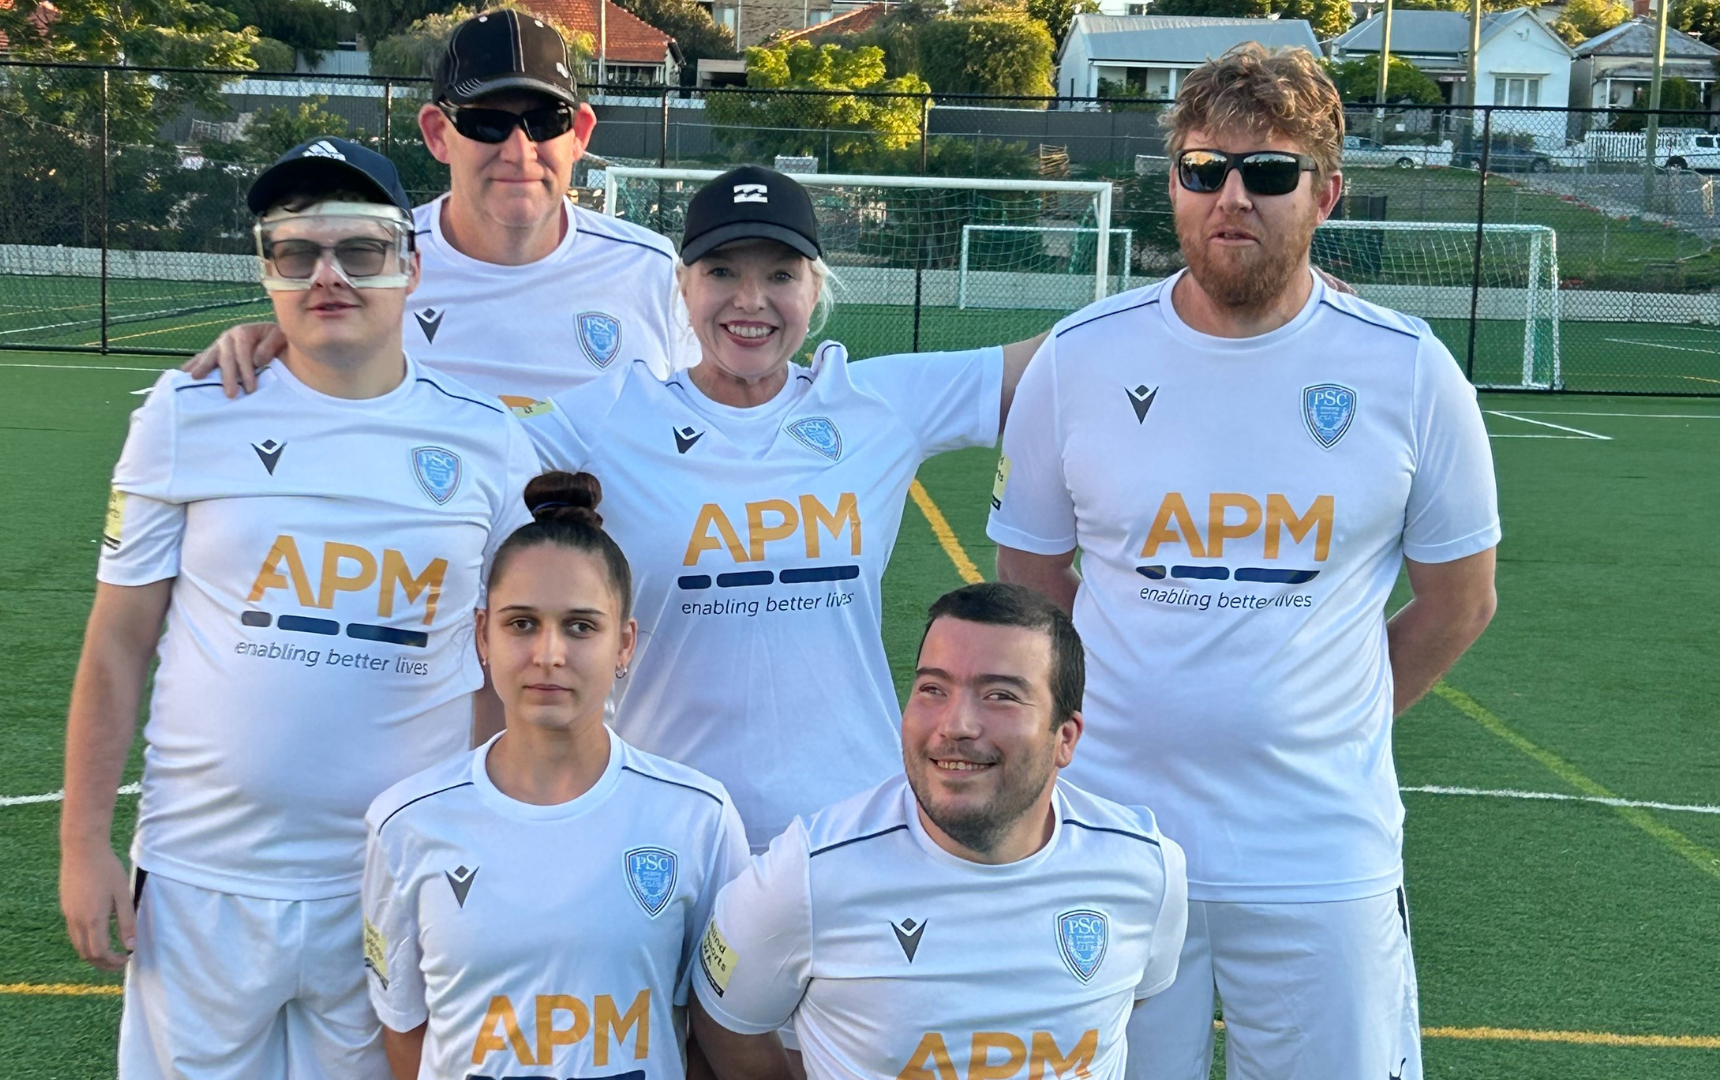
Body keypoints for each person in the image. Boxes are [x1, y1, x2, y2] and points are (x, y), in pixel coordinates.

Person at [987, 45, 1499, 1080]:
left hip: (1319, 851)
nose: (1232, 195)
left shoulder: (1406, 370)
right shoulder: (1078, 359)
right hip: (1116, 842)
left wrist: (1321, 723)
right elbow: (1030, 591)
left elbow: (1458, 600)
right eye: (1202, 168)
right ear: (1170, 182)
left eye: (1267, 172)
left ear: (1326, 194)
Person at [60, 138, 539, 1078]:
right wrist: (83, 844)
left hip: (395, 879)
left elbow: (501, 672)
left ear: (409, 263)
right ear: (266, 269)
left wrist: (495, 833)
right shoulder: (185, 412)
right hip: (203, 880)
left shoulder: (486, 440)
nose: (328, 276)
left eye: (359, 251)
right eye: (296, 251)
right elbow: (117, 646)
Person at [521, 165, 1044, 852]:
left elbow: (1060, 366)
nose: (750, 301)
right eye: (722, 273)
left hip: (854, 827)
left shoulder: (877, 401)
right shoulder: (610, 416)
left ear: (815, 287)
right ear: (683, 285)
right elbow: (467, 459)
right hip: (666, 828)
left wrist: (1208, 283)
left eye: (780, 275)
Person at [689, 582, 1188, 1080]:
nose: (957, 724)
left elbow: (1130, 999)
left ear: (1065, 738)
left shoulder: (1147, 869)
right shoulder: (807, 872)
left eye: (1000, 696)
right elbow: (727, 1024)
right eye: (933, 689)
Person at [362, 471, 749, 1080]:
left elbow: (718, 1026)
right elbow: (405, 1028)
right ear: (481, 636)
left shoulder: (696, 816)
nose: (549, 654)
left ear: (624, 645)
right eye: (521, 624)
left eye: (580, 626)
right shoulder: (406, 822)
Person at [185, 9, 695, 405]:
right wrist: (274, 342)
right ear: (437, 134)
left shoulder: (650, 270)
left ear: (579, 133)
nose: (519, 151)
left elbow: (705, 414)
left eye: (545, 121)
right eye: (486, 123)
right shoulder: (380, 263)